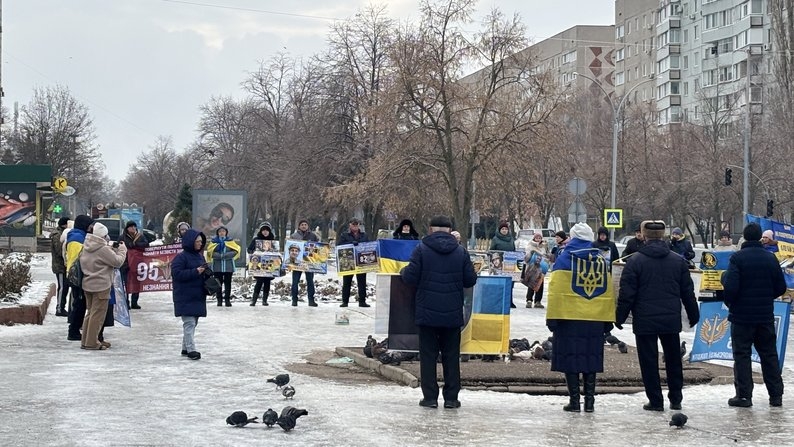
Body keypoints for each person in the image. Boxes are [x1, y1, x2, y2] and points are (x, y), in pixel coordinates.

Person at [616, 220, 700, 411]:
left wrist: (620, 317)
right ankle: (676, 398)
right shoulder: (677, 261)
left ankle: (655, 401)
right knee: (673, 360)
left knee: (649, 361)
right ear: (663, 236)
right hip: (670, 319)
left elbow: (626, 294)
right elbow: (687, 292)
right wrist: (693, 314)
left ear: (644, 236)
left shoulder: (635, 261)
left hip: (644, 319)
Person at [400, 215, 477, 409]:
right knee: (451, 356)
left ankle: (430, 398)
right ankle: (451, 398)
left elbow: (410, 277)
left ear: (430, 229)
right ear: (450, 230)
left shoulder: (421, 249)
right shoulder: (460, 251)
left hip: (426, 313)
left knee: (428, 356)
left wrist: (403, 272)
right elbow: (470, 280)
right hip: (452, 314)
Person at [546, 223, 612, 413]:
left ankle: (574, 401)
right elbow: (608, 292)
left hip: (568, 318)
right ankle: (590, 402)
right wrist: (608, 320)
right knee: (591, 359)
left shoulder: (564, 258)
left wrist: (552, 318)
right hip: (595, 319)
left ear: (573, 236)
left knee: (571, 359)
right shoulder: (601, 260)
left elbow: (555, 291)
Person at [721, 222, 787, 408]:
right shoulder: (770, 258)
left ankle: (744, 396)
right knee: (769, 355)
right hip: (765, 315)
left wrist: (731, 302)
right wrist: (766, 298)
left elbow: (731, 287)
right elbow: (780, 287)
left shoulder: (737, 258)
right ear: (759, 237)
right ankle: (776, 395)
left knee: (742, 355)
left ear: (744, 236)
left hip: (741, 317)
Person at [79, 222, 127, 350]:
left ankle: (86, 340)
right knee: (98, 315)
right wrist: (122, 250)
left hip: (88, 283)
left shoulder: (87, 245)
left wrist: (112, 249)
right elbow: (117, 262)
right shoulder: (102, 249)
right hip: (101, 285)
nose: (108, 238)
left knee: (90, 313)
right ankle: (92, 343)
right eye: (106, 235)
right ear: (102, 236)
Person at [171, 229, 208, 360]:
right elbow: (177, 274)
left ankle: (185, 348)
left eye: (201, 241)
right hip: (184, 295)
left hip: (197, 295)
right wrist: (195, 271)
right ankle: (191, 350)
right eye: (197, 241)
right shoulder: (181, 257)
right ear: (190, 242)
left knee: (193, 323)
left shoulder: (200, 256)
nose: (200, 243)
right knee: (189, 323)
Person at [64, 215, 94, 341]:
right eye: (90, 225)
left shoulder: (78, 236)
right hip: (77, 276)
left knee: (80, 303)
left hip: (77, 275)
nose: (91, 228)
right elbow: (78, 259)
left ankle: (75, 329)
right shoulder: (77, 239)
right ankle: (73, 331)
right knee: (79, 304)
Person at [337, 218, 371, 307]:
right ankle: (345, 301)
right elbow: (339, 245)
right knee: (347, 282)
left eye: (357, 224)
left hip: (361, 261)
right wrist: (351, 243)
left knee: (362, 282)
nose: (355, 226)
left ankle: (362, 301)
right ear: (350, 225)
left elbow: (368, 245)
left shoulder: (364, 235)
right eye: (353, 224)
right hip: (349, 261)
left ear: (359, 225)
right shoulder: (344, 235)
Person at [206, 226, 240, 307]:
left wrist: (225, 255)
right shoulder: (214, 242)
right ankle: (219, 300)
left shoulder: (230, 241)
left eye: (223, 231)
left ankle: (227, 300)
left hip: (228, 267)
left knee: (228, 284)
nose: (222, 233)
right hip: (217, 267)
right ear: (217, 233)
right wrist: (219, 256)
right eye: (220, 231)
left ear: (226, 233)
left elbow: (236, 251)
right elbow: (210, 252)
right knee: (218, 284)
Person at [119, 220, 150, 310]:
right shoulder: (122, 237)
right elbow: (119, 248)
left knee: (136, 283)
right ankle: (126, 302)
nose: (133, 228)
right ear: (127, 228)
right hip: (125, 264)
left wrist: (136, 244)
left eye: (134, 226)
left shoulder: (140, 236)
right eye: (131, 227)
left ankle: (134, 302)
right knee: (126, 284)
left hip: (137, 264)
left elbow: (146, 245)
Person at [290, 219, 319, 307]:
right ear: (299, 226)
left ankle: (311, 300)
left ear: (308, 226)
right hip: (296, 262)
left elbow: (318, 247)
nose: (303, 226)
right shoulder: (294, 236)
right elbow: (289, 248)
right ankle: (294, 300)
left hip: (309, 262)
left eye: (305, 224)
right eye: (302, 224)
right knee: (295, 281)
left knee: (310, 281)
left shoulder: (313, 236)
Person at [248, 223, 275, 306]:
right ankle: (254, 300)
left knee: (267, 282)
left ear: (269, 231)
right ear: (261, 231)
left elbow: (276, 252)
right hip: (258, 264)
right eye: (263, 230)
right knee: (259, 282)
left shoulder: (272, 240)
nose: (265, 232)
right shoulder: (256, 240)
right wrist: (255, 253)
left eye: (267, 230)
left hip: (269, 264)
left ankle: (265, 300)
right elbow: (249, 250)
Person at [51, 217, 71, 317]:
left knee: (65, 287)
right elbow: (59, 251)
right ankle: (59, 308)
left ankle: (62, 307)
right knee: (62, 287)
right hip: (60, 266)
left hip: (64, 266)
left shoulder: (63, 233)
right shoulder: (58, 235)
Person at [525, 232, 548, 308]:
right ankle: (529, 300)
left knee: (540, 284)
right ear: (534, 238)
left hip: (541, 267)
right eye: (536, 238)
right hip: (533, 267)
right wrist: (531, 253)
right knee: (531, 284)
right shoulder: (530, 245)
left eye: (539, 238)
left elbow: (547, 255)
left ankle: (538, 301)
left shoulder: (544, 246)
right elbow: (526, 258)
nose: (538, 239)